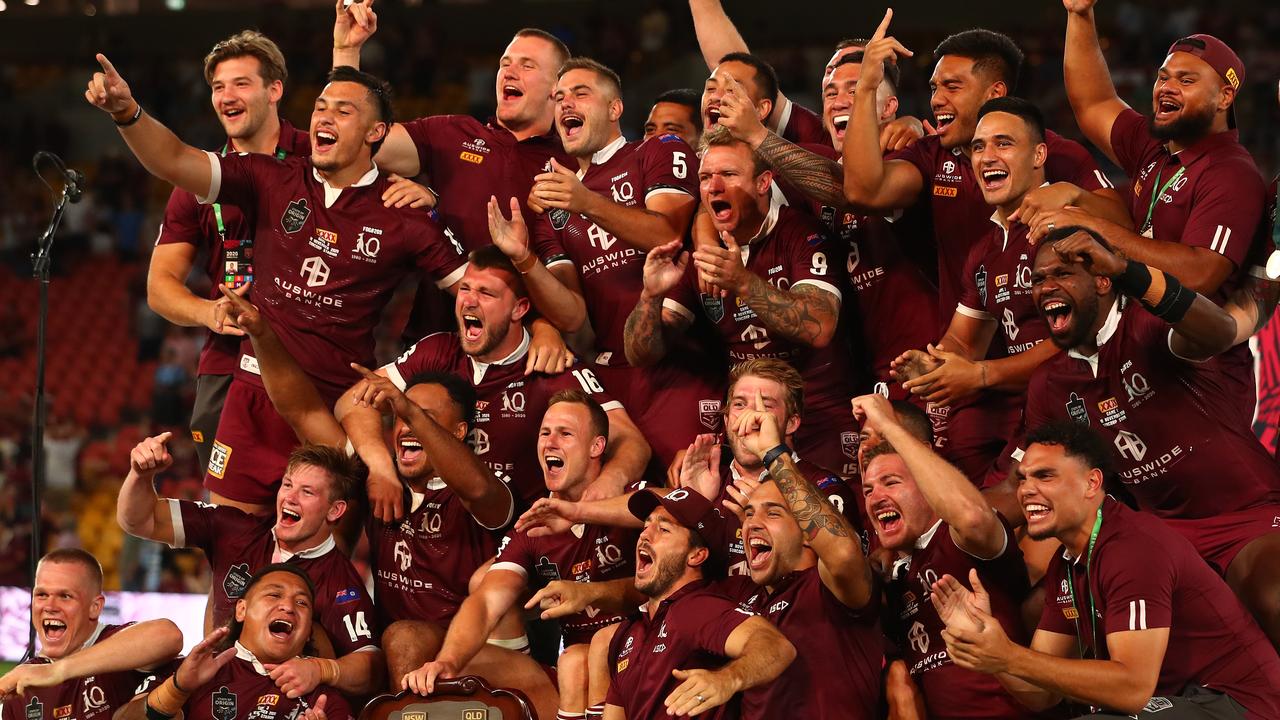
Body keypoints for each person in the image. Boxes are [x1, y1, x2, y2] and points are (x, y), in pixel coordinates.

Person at [85, 57, 470, 515]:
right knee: (233, 554)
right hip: (251, 397)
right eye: (321, 108)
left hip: (334, 409)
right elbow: (175, 160)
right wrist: (128, 114)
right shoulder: (268, 178)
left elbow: (476, 290)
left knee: (320, 562)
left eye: (343, 112)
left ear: (376, 133)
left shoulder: (404, 214)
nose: (325, 117)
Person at [214, 283, 518, 674]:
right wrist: (262, 334)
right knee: (322, 634)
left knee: (402, 637)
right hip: (395, 653)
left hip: (471, 652)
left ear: (459, 432)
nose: (407, 426)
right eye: (402, 417)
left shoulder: (483, 490)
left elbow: (476, 487)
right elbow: (301, 408)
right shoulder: (379, 477)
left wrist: (405, 404)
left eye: (423, 418)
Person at [1018, 227, 1280, 644]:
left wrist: (1129, 270)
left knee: (1274, 597)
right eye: (1037, 278)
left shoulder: (1147, 322)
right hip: (1160, 539)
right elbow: (1030, 479)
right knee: (1047, 613)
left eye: (1063, 274)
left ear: (1103, 279)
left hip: (1245, 517)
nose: (1046, 286)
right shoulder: (1048, 385)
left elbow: (1219, 331)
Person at [933, 422, 1280, 719]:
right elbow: (1042, 694)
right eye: (1023, 479)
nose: (1026, 491)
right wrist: (991, 651)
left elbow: (1132, 688)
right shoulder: (1067, 563)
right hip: (1180, 704)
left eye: (1045, 476)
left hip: (1241, 704)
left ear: (1092, 483)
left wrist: (1009, 655)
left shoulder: (1133, 547)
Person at [489, 57, 721, 467]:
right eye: (559, 97)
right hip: (608, 374)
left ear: (614, 109)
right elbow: (573, 314)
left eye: (581, 94)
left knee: (684, 496)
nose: (565, 104)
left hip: (678, 367)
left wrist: (587, 202)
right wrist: (524, 258)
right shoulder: (553, 201)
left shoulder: (657, 151)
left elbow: (667, 234)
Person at [842, 12, 1129, 327]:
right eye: (935, 87)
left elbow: (1123, 227)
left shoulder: (1057, 153)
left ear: (995, 93)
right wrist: (866, 89)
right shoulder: (931, 155)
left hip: (1052, 349)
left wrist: (1074, 198)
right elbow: (862, 191)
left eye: (952, 87)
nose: (936, 99)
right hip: (967, 346)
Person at [1056, 0, 1267, 425]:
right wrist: (1080, 15)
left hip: (1200, 380)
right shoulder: (1157, 147)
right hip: (1139, 364)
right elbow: (1093, 102)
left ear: (1225, 96)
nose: (1166, 88)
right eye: (1163, 77)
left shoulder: (1231, 173)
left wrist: (1092, 227)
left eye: (1186, 80)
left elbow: (1200, 273)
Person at [337, 246, 651, 515]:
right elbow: (351, 403)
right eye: (465, 289)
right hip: (432, 520)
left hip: (508, 532)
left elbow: (630, 440)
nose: (469, 302)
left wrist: (608, 483)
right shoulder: (437, 350)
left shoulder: (553, 368)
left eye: (486, 293)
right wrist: (381, 469)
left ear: (520, 309)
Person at [332, 4, 577, 343]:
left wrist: (544, 326)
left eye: (527, 65)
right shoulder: (453, 133)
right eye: (505, 63)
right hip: (432, 339)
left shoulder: (574, 165)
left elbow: (579, 281)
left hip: (518, 351)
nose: (508, 71)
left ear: (557, 89)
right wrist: (347, 51)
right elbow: (356, 140)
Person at [625, 127, 858, 478]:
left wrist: (743, 283)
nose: (713, 187)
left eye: (729, 175)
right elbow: (641, 353)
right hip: (742, 431)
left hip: (818, 420)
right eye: (705, 177)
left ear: (764, 183)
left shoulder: (801, 235)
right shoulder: (701, 256)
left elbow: (820, 327)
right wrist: (651, 298)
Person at [712, 52, 940, 410]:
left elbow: (849, 190)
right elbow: (716, 179)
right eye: (830, 93)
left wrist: (757, 134)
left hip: (928, 366)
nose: (840, 101)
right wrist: (701, 238)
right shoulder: (814, 162)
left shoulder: (908, 159)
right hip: (868, 377)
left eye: (856, 89)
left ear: (888, 107)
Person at [399, 392, 637, 720]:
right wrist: (447, 662)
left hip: (635, 653)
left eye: (565, 434)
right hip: (570, 666)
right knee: (465, 663)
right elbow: (486, 602)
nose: (550, 442)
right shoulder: (535, 524)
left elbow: (674, 506)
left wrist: (581, 511)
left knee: (583, 657)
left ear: (596, 447)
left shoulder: (632, 497)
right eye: (544, 433)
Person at [514, 359, 863, 574]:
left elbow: (842, 573)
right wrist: (577, 511)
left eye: (766, 405)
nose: (751, 417)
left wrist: (765, 507)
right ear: (725, 418)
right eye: (739, 404)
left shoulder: (823, 487)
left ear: (792, 423)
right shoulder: (709, 480)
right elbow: (649, 505)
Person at [147, 32, 307, 492]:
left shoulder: (314, 155)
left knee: (320, 495)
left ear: (274, 89)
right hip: (230, 359)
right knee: (230, 507)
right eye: (218, 87)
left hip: (310, 347)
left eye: (241, 83)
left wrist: (423, 194)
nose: (226, 96)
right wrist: (208, 311)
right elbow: (160, 286)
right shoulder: (201, 180)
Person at [117, 437, 384, 697]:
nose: (290, 498)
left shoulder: (342, 583)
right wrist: (140, 476)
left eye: (307, 492)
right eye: (288, 484)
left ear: (335, 510)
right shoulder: (235, 529)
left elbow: (370, 667)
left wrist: (321, 669)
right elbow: (140, 521)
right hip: (212, 686)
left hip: (280, 702)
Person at [891, 97, 1061, 484]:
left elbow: (1076, 346)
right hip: (1022, 410)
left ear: (1039, 154)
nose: (986, 156)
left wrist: (981, 376)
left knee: (987, 515)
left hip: (1074, 409)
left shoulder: (1062, 233)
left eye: (1004, 144)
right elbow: (963, 342)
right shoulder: (985, 250)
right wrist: (934, 366)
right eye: (979, 147)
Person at [852, 394, 1035, 719]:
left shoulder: (962, 540)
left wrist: (890, 427)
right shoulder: (892, 580)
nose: (876, 497)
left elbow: (972, 515)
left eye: (891, 483)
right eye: (868, 490)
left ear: (927, 485)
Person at [714, 389, 883, 718]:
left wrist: (774, 454)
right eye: (748, 515)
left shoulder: (831, 590)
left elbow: (845, 554)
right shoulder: (746, 601)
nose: (753, 524)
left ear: (809, 533)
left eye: (773, 513)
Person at [603, 487, 796, 719]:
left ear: (696, 556)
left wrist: (727, 679)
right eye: (646, 526)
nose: (645, 535)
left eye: (663, 529)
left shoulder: (695, 608)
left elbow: (776, 647)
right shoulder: (628, 632)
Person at [126, 565, 352, 720]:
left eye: (302, 603)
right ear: (241, 610)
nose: (289, 607)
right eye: (274, 595)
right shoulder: (188, 671)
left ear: (308, 630)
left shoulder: (324, 700)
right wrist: (177, 689)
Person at [0, 550, 182, 719]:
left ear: (95, 607)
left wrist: (55, 671)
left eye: (65, 596)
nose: (50, 606)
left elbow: (169, 635)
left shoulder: (118, 644)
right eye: (41, 595)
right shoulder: (21, 688)